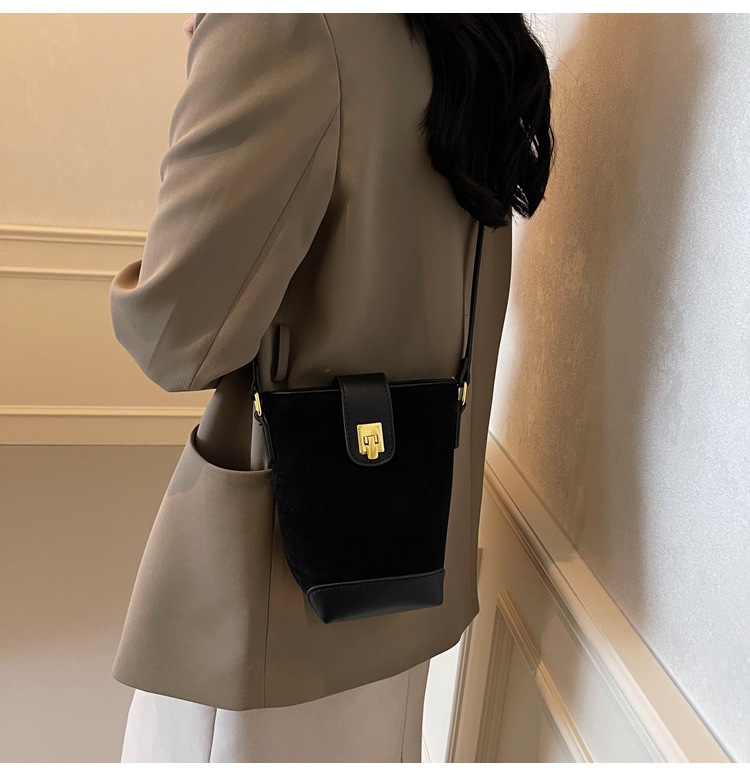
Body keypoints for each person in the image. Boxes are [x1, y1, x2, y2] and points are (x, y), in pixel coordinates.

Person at [110, 12, 553, 762]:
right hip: (414, 552)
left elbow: (173, 339)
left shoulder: (285, 24)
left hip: (278, 584)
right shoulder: (473, 32)